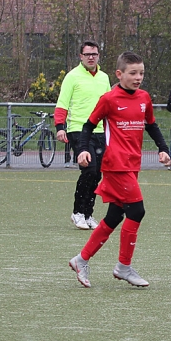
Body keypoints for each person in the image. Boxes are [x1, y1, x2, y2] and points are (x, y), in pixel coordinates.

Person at [68, 51, 171, 289]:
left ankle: (81, 259)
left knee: (115, 216)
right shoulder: (109, 99)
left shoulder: (144, 98)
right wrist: (82, 150)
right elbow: (88, 125)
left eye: (141, 73)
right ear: (119, 74)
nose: (138, 78)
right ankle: (123, 267)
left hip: (132, 164)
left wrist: (163, 148)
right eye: (133, 73)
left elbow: (151, 125)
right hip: (115, 165)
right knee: (137, 211)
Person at [55, 41, 111, 230]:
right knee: (89, 170)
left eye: (94, 54)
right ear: (81, 56)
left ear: (98, 56)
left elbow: (110, 104)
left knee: (97, 174)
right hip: (78, 130)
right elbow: (62, 103)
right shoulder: (72, 76)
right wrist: (60, 127)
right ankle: (78, 212)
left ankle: (88, 213)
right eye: (87, 54)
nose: (91, 57)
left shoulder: (104, 78)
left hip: (99, 131)